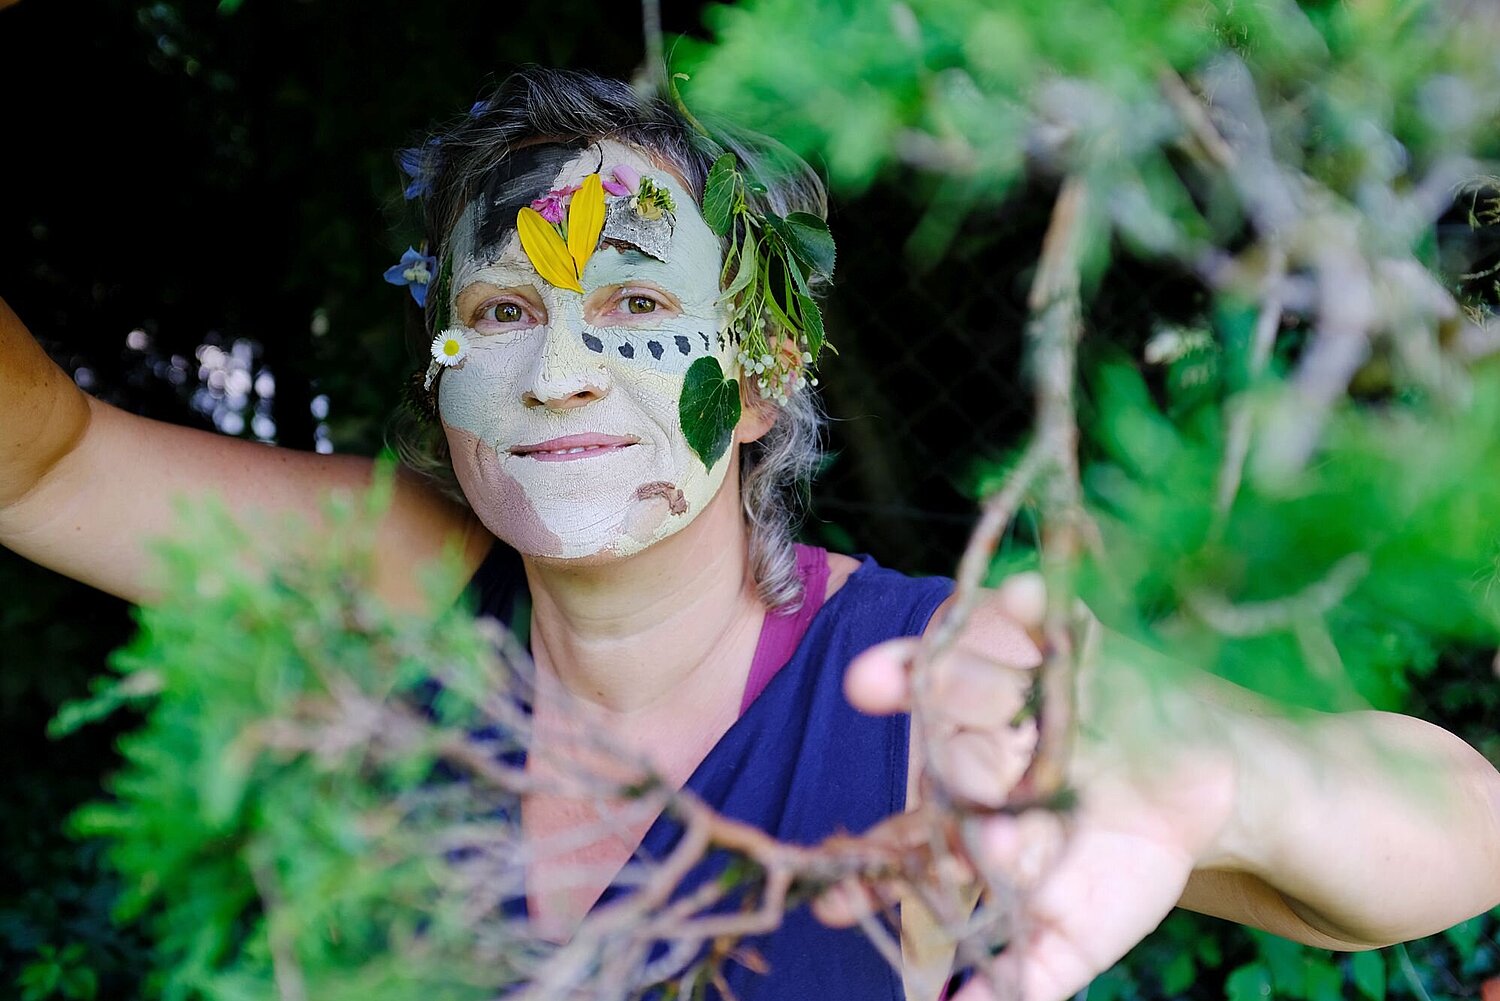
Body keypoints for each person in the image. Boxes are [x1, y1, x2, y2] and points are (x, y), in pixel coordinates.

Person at [2, 66, 1498, 1001]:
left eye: (639, 307)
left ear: (769, 378)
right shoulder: (408, 583)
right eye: (503, 313)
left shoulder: (928, 689)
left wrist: (1209, 770)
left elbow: (1460, 829)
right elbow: (41, 465)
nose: (560, 367)